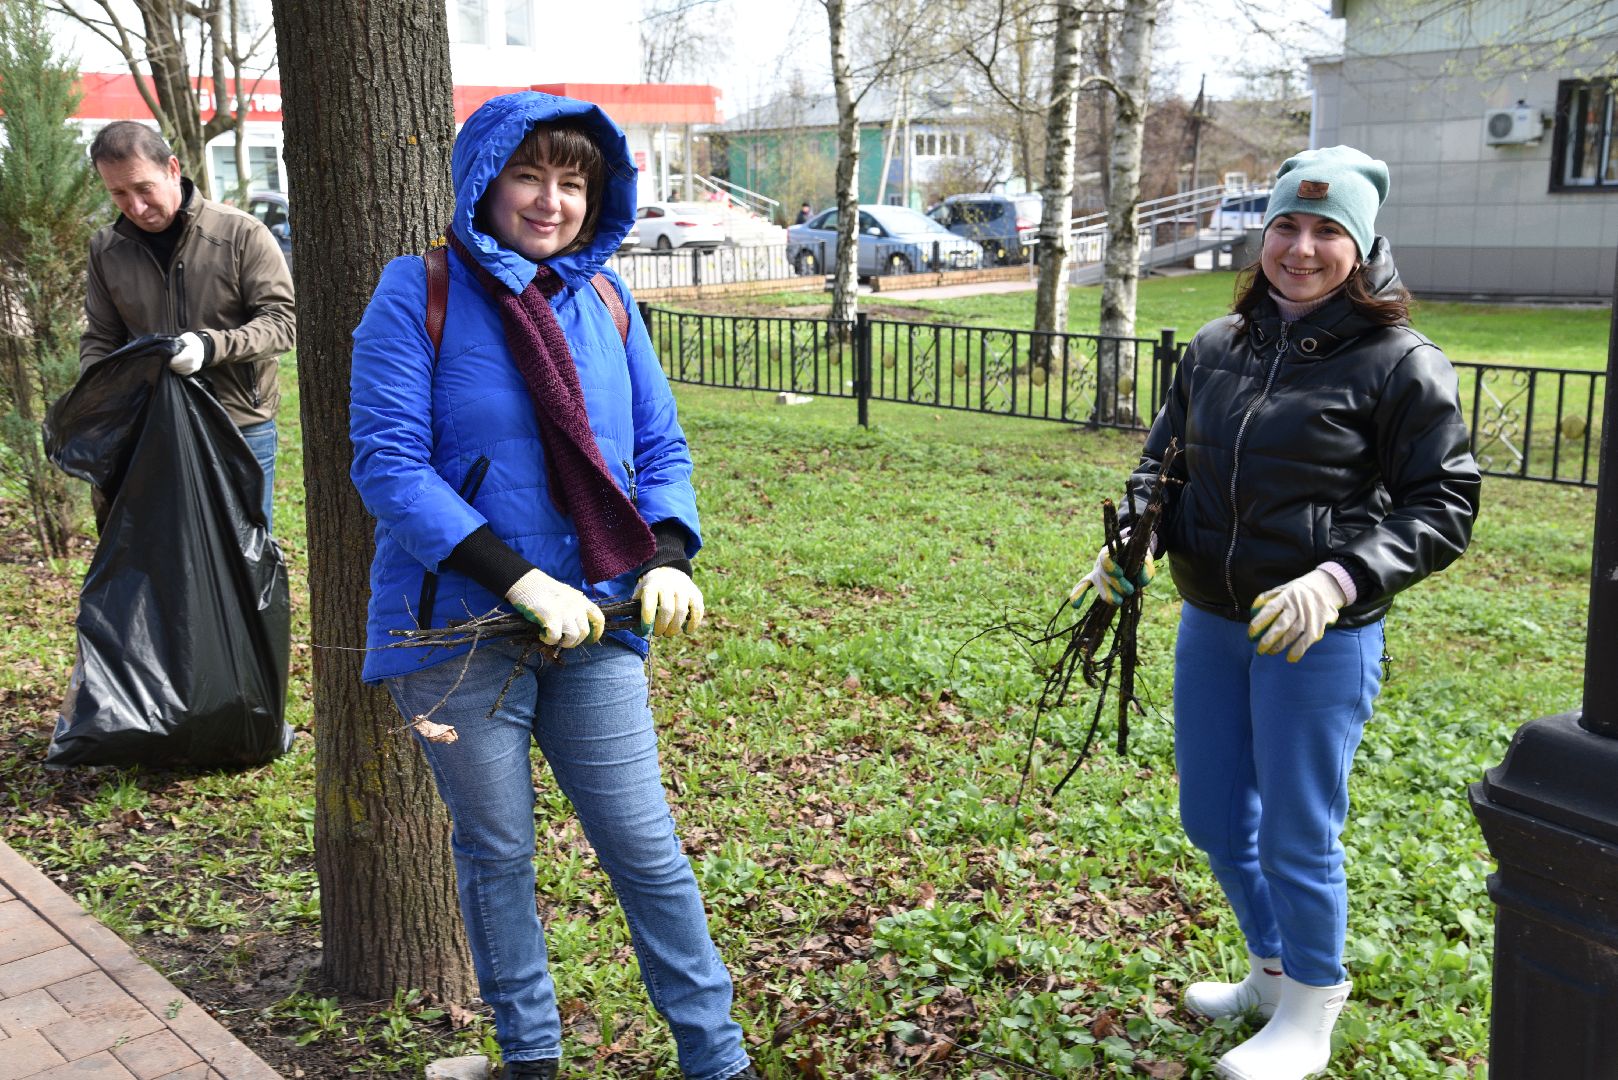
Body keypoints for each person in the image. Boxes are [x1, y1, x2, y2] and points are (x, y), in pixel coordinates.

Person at [349, 91, 757, 1080]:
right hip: (457, 631)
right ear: (484, 181)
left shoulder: (609, 302)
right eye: (529, 175)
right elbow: (388, 464)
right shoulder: (419, 291)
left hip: (600, 621)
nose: (549, 201)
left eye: (573, 181)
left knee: (646, 852)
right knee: (498, 858)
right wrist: (518, 579)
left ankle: (717, 1061)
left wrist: (664, 553)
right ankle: (529, 1060)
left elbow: (658, 446)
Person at [1069, 146, 1480, 1080]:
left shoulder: (1399, 364)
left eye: (1327, 230)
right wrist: (1130, 539)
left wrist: (1338, 580)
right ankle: (1268, 970)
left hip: (1318, 636)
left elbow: (1444, 505)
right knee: (1214, 814)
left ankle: (1311, 1004)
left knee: (1298, 826)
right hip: (1214, 617)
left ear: (1363, 244)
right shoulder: (1219, 345)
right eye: (1286, 226)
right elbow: (1163, 465)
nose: (1301, 248)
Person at [80, 121, 295, 529]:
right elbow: (100, 338)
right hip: (151, 428)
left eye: (144, 188)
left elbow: (282, 323)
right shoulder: (107, 249)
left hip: (238, 425)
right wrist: (101, 389)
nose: (136, 206)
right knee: (166, 558)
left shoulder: (240, 233)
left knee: (243, 562)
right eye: (119, 194)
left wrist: (208, 347)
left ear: (173, 169)